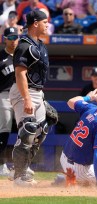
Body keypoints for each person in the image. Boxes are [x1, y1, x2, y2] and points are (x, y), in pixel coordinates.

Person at [9, 10, 53, 186]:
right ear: (35, 23)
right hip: (23, 92)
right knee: (28, 130)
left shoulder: (41, 45)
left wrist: (39, 97)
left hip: (37, 92)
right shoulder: (24, 45)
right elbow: (20, 74)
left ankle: (23, 166)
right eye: (45, 22)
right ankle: (19, 176)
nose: (47, 24)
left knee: (41, 131)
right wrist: (27, 98)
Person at [0, 27, 18, 176]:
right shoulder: (1, 57)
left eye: (15, 37)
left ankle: (22, 166)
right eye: (10, 37)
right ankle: (1, 165)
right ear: (4, 39)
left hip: (20, 96)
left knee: (26, 129)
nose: (13, 40)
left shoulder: (23, 55)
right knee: (4, 128)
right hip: (4, 95)